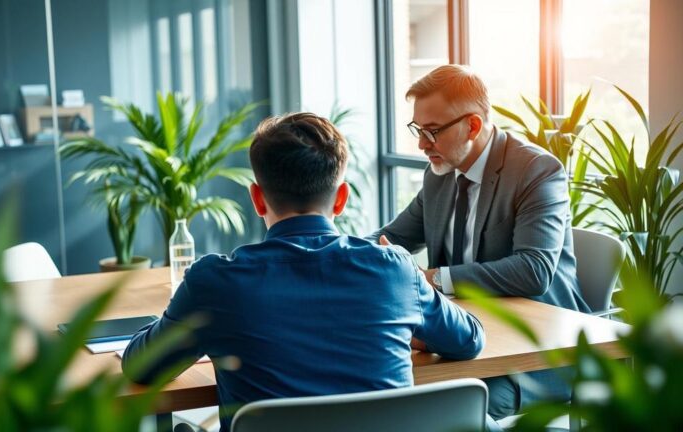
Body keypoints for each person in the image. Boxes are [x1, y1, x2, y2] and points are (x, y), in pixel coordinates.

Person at [122, 112, 485, 432]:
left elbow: (141, 367)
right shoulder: (395, 270)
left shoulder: (215, 282)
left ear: (257, 198)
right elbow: (469, 340)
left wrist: (174, 314)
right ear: (341, 198)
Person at [369, 64, 590, 420]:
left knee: (440, 411)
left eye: (432, 131)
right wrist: (344, 256)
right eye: (418, 130)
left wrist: (435, 278)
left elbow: (534, 270)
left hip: (534, 355)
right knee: (388, 391)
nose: (422, 145)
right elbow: (392, 237)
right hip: (462, 340)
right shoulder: (439, 172)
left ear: (472, 125)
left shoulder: (537, 171)